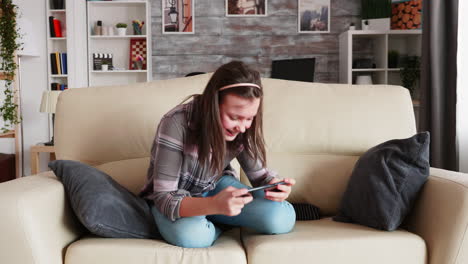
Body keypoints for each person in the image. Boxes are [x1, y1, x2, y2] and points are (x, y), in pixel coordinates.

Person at [140, 61, 296, 248]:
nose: (242, 126)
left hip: (215, 186)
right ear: (212, 104)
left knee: (281, 218)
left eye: (249, 118)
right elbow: (165, 197)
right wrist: (214, 205)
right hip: (177, 198)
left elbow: (261, 177)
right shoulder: (175, 123)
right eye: (234, 117)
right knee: (192, 237)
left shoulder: (243, 129)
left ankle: (216, 217)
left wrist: (275, 186)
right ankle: (218, 222)